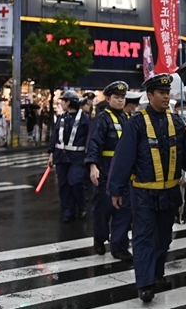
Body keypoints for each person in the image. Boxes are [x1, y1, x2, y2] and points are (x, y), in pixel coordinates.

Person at [109, 74, 186, 302]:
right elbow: (123, 159)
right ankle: (145, 284)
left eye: (167, 92)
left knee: (164, 238)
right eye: (161, 93)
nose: (166, 96)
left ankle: (157, 274)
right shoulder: (136, 123)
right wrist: (116, 189)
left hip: (170, 193)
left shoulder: (177, 122)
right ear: (150, 95)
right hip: (143, 193)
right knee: (144, 238)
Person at [85, 81, 133, 261]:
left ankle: (119, 247)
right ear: (108, 99)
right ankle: (99, 238)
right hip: (105, 170)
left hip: (125, 173)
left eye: (122, 98)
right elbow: (93, 144)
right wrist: (92, 166)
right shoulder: (102, 119)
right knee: (103, 210)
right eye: (117, 98)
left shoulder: (129, 119)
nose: (120, 101)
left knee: (124, 210)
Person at [47, 91, 90, 223]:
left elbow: (89, 139)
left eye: (63, 101)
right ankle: (68, 212)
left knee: (75, 182)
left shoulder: (84, 119)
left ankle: (81, 206)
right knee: (63, 185)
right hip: (61, 156)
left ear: (69, 102)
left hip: (77, 156)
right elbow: (55, 136)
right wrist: (51, 154)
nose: (61, 103)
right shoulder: (61, 117)